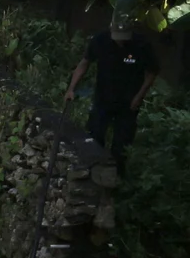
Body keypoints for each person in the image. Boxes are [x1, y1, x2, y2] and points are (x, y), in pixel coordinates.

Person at [65, 21, 159, 169]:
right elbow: (84, 63)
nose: (120, 40)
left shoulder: (142, 44)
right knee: (94, 135)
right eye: (117, 37)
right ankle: (92, 170)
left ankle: (117, 176)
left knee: (122, 144)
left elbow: (152, 72)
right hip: (103, 97)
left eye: (124, 37)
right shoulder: (100, 40)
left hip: (129, 102)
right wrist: (71, 88)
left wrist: (139, 96)